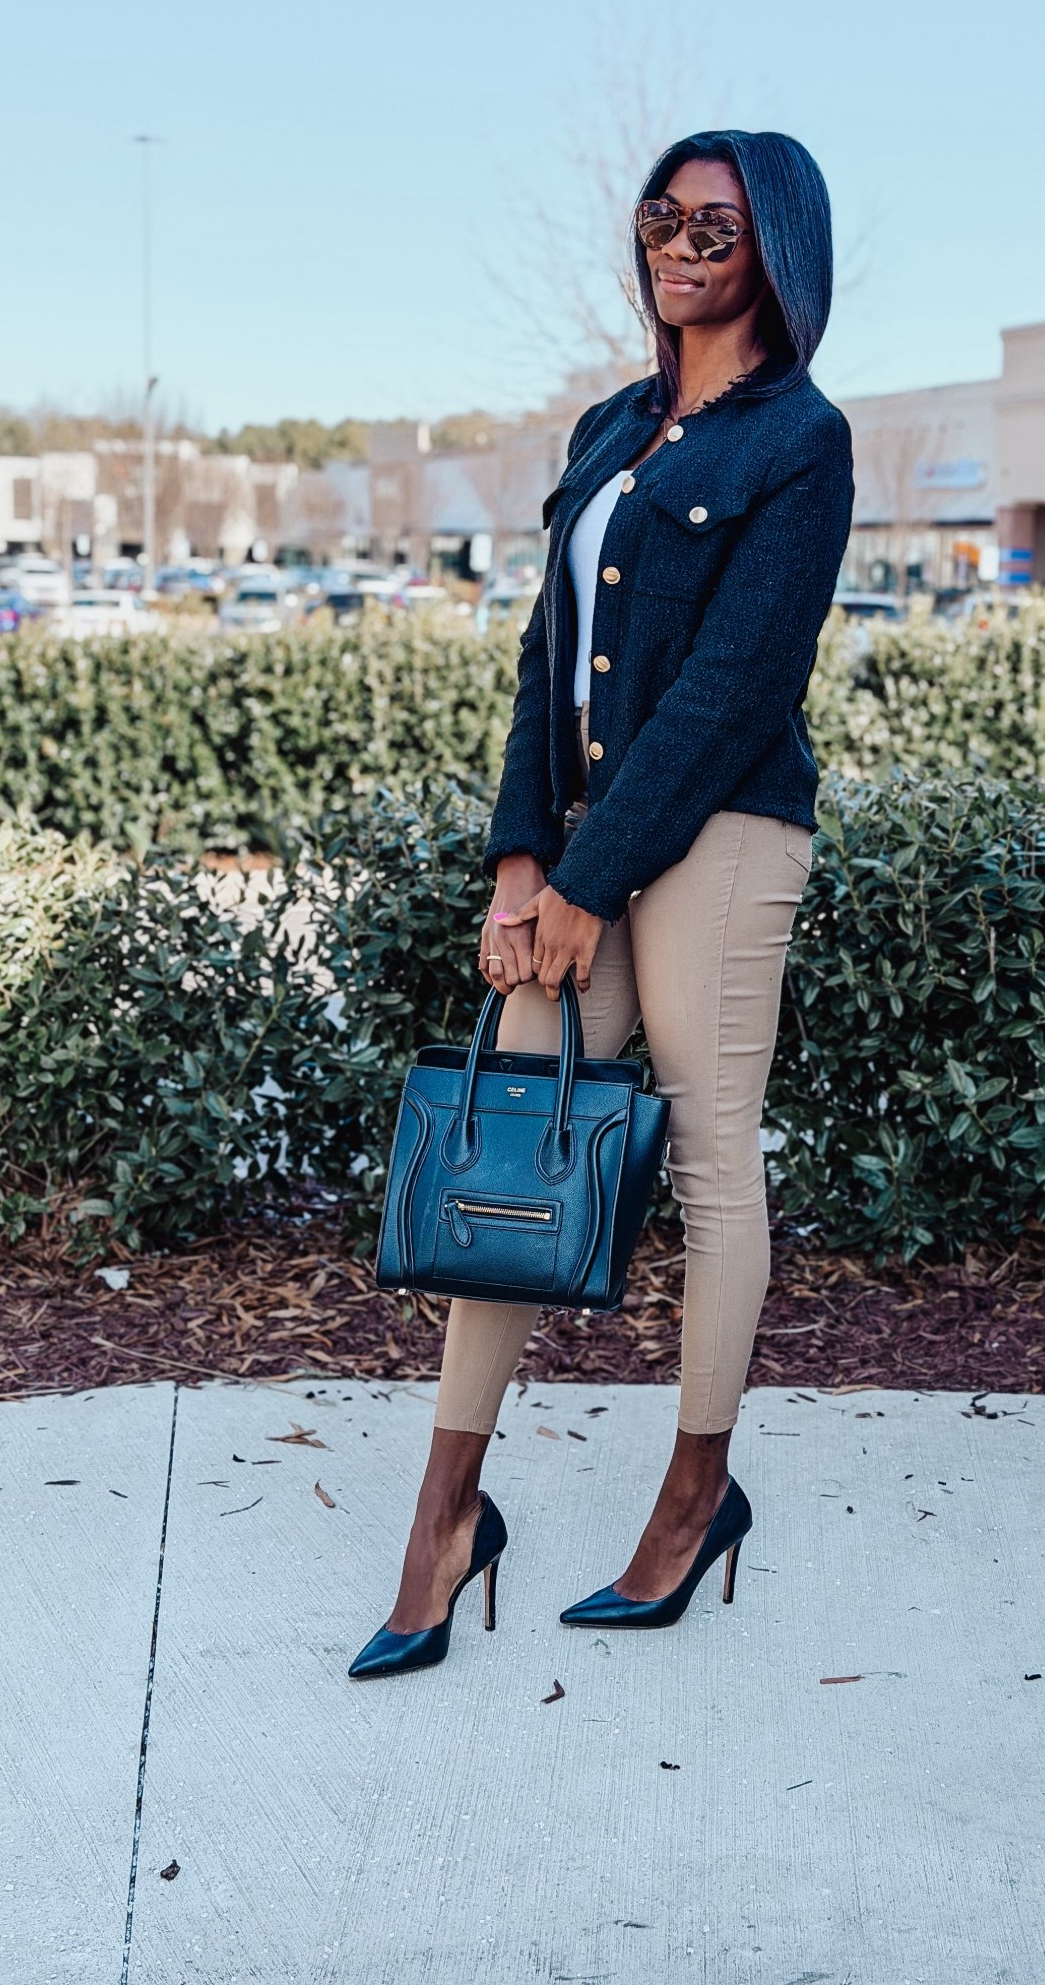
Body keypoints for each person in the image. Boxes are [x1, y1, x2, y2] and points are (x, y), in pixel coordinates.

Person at [349, 129, 853, 1679]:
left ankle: (695, 1498)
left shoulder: (801, 442)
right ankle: (444, 1518)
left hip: (720, 836)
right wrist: (522, 861)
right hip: (573, 846)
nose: (683, 241)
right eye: (663, 216)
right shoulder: (614, 424)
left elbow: (727, 694)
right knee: (513, 1133)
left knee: (705, 1153)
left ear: (776, 248)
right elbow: (540, 659)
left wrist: (585, 878)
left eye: (718, 220)